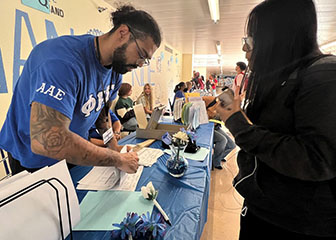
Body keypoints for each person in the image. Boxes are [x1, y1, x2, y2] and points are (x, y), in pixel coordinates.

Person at [216, 0, 336, 239]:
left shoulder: (332, 77)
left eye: (250, 40)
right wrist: (238, 112)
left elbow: (317, 160)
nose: (245, 49)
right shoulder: (284, 78)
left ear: (276, 38)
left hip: (298, 225)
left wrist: (237, 123)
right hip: (263, 209)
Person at [0, 4, 162, 175]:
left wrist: (113, 147)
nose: (141, 64)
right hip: (34, 161)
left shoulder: (115, 70)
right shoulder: (61, 61)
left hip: (71, 156)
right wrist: (117, 159)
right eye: (141, 55)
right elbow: (46, 140)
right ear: (123, 33)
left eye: (146, 60)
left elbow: (102, 114)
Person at [202, 95, 236, 170]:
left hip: (216, 127)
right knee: (223, 140)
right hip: (209, 128)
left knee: (232, 145)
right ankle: (215, 162)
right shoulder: (210, 101)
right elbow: (207, 116)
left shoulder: (222, 107)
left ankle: (217, 158)